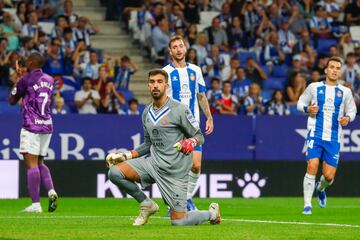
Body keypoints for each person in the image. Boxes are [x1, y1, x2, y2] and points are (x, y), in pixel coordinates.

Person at [105, 69, 220, 226]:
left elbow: (199, 136)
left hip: (175, 172)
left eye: (159, 82)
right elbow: (147, 144)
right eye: (152, 82)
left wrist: (190, 142)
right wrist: (126, 156)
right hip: (153, 164)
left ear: (166, 85)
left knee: (178, 222)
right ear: (148, 86)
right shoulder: (146, 112)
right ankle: (147, 204)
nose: (155, 85)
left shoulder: (179, 109)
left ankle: (211, 214)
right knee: (114, 172)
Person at [297, 56, 357, 215]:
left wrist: (348, 118)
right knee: (312, 166)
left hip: (333, 138)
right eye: (332, 67)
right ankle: (307, 205)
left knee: (328, 176)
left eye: (338, 68)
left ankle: (321, 188)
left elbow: (352, 111)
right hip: (315, 135)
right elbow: (300, 103)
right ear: (326, 70)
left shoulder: (345, 92)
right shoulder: (314, 87)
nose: (335, 70)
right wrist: (307, 109)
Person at [163, 35, 214, 211]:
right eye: (174, 47)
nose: (178, 49)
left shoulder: (196, 70)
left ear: (185, 49)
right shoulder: (165, 73)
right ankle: (174, 202)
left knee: (196, 164)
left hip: (193, 125)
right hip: (173, 126)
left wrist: (209, 117)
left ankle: (186, 199)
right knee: (176, 166)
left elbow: (201, 96)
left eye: (181, 46)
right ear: (170, 51)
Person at [8, 52, 58, 213]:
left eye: (28, 61)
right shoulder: (50, 80)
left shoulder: (26, 79)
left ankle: (35, 204)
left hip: (31, 126)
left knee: (31, 165)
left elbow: (12, 100)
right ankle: (51, 191)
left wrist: (17, 79)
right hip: (47, 124)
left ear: (31, 62)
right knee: (40, 163)